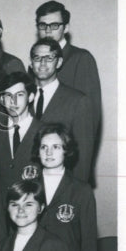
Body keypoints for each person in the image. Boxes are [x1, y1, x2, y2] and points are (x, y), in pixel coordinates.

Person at [27, 38, 96, 183]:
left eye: (49, 58)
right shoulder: (23, 98)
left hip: (62, 185)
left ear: (58, 62)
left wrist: (76, 193)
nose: (43, 63)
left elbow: (83, 156)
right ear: (30, 63)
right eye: (38, 58)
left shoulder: (78, 101)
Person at [35, 0, 101, 140]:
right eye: (42, 25)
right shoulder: (36, 60)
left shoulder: (81, 58)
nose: (47, 30)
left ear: (65, 28)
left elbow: (89, 116)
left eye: (54, 25)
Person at [0, 72, 45, 194]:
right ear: (2, 99)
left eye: (19, 95)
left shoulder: (44, 132)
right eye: (8, 96)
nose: (13, 101)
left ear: (31, 97)